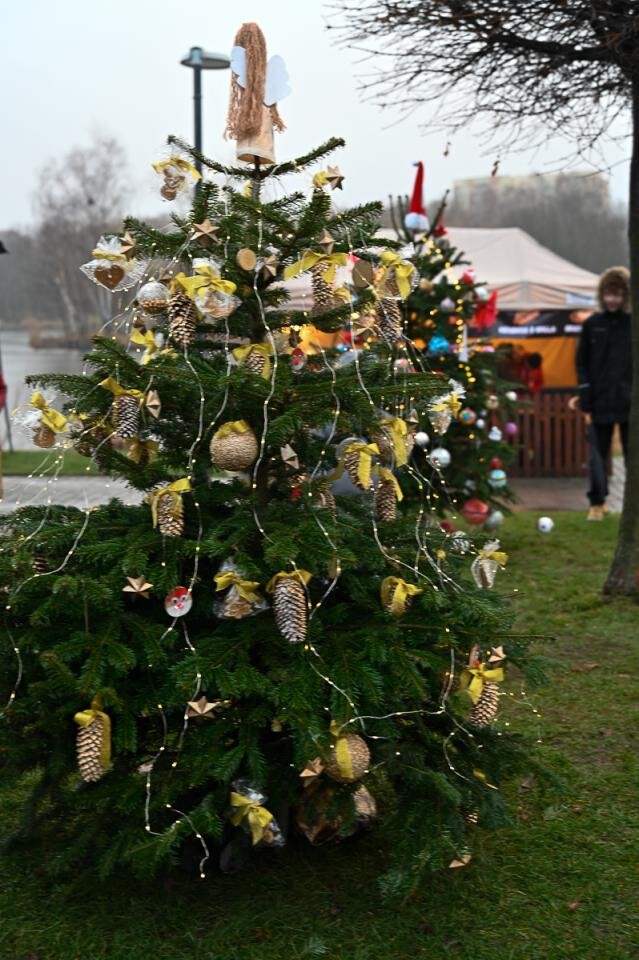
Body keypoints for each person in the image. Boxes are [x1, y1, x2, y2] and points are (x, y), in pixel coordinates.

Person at [576, 266, 632, 520]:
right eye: (609, 294)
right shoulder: (592, 324)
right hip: (598, 401)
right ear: (602, 295)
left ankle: (633, 504)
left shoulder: (632, 324)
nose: (613, 300)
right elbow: (581, 362)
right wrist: (585, 392)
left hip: (629, 402)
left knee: (633, 457)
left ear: (626, 296)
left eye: (618, 294)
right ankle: (597, 503)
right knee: (597, 457)